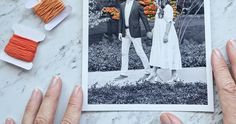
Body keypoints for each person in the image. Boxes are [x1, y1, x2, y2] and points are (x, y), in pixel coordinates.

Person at [5, 41, 236, 123]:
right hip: (126, 33)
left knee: (148, 55)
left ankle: (150, 71)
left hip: (141, 34)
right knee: (128, 55)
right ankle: (131, 72)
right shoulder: (128, 5)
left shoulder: (159, 8)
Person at [116, 0, 152, 79]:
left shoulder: (138, 5)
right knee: (124, 53)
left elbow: (144, 18)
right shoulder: (122, 5)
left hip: (135, 32)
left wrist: (148, 30)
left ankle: (148, 71)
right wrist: (120, 32)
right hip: (125, 32)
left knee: (139, 51)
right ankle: (123, 73)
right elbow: (121, 19)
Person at [147, 0, 182, 83]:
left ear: (161, 0)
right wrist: (152, 32)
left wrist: (166, 35)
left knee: (170, 52)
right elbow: (158, 22)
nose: (155, 1)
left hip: (167, 35)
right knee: (157, 52)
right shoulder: (159, 9)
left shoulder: (168, 8)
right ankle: (153, 72)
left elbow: (169, 22)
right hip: (159, 36)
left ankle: (174, 75)